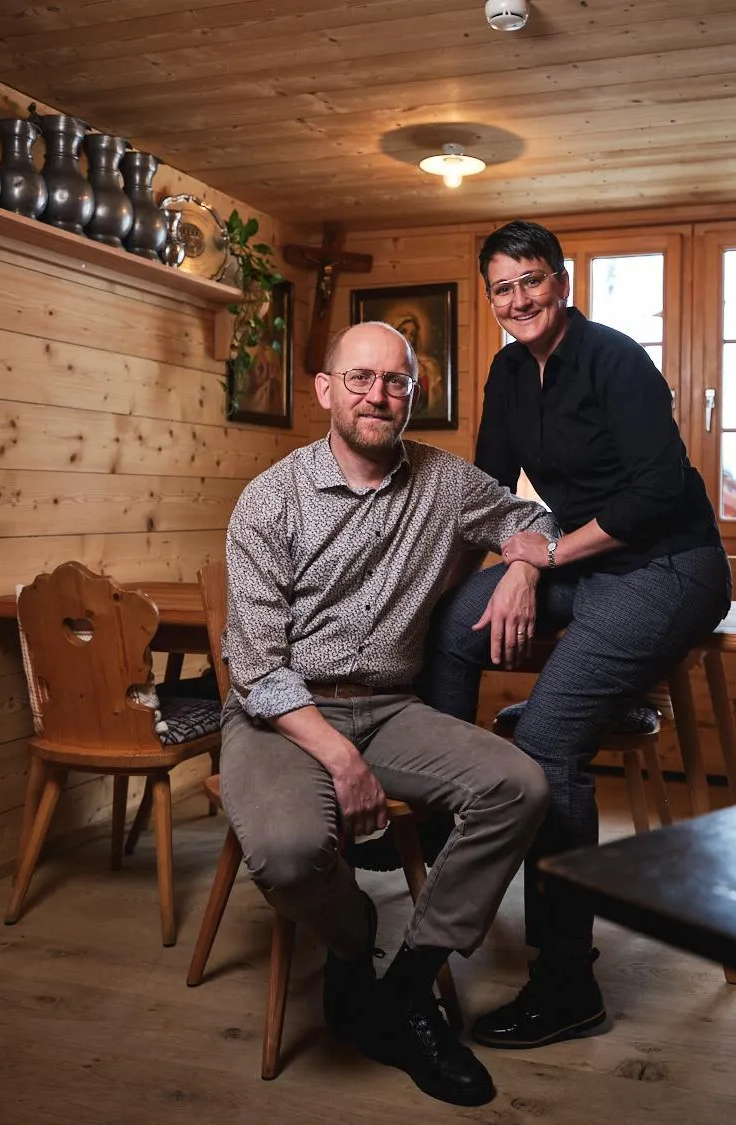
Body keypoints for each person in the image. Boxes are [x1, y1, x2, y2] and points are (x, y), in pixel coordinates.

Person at [219, 320, 560, 1106]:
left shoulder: (444, 482)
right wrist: (341, 760)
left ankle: (407, 987)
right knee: (288, 851)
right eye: (362, 378)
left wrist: (521, 573)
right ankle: (354, 942)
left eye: (397, 381)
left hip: (389, 705)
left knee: (520, 785)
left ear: (414, 393)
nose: (379, 394)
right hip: (284, 715)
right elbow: (259, 670)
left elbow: (532, 519)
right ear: (326, 390)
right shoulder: (272, 499)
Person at [418, 220, 733, 1050]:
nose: (518, 299)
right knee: (453, 625)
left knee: (548, 736)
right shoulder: (508, 371)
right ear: (491, 300)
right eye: (502, 288)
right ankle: (447, 825)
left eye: (530, 280)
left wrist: (546, 552)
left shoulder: (615, 356)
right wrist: (520, 566)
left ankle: (567, 984)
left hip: (669, 564)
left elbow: (656, 493)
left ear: (561, 280)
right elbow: (489, 493)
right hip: (573, 559)